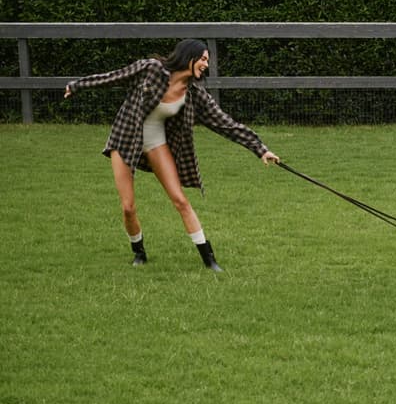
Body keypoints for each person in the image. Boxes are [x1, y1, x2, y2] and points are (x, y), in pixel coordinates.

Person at [65, 39, 280, 272]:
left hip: (156, 142)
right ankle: (139, 253)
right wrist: (78, 85)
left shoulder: (195, 93)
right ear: (190, 57)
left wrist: (260, 149)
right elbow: (114, 77)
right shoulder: (151, 69)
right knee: (128, 207)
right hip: (125, 138)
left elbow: (225, 123)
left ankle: (210, 261)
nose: (206, 64)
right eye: (204, 59)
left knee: (180, 200)